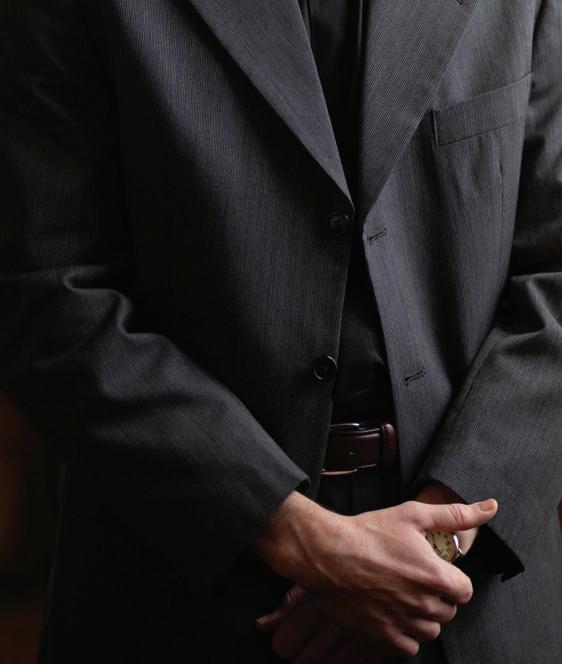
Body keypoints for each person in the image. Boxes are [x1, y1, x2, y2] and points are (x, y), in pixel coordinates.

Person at [0, 1, 560, 662]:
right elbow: (48, 291)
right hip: (180, 592)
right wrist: (291, 534)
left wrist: (441, 536)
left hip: (472, 596)